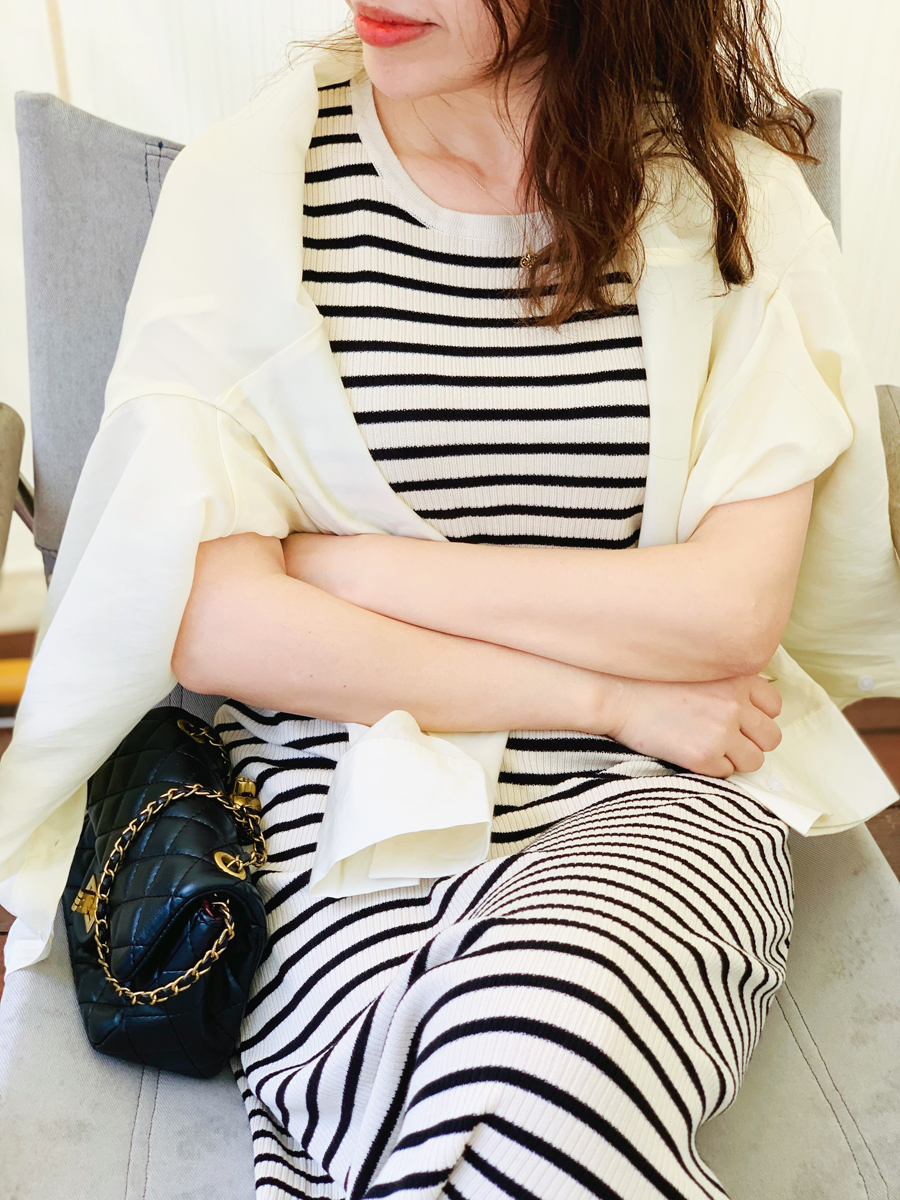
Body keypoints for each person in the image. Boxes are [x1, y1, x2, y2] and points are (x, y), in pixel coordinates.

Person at [1, 1, 899, 1197]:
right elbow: (216, 626)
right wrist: (611, 696)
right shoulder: (252, 194)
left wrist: (347, 567)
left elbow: (730, 616)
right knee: (433, 1095)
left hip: (660, 792)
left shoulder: (732, 203)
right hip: (341, 780)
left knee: (550, 1055)